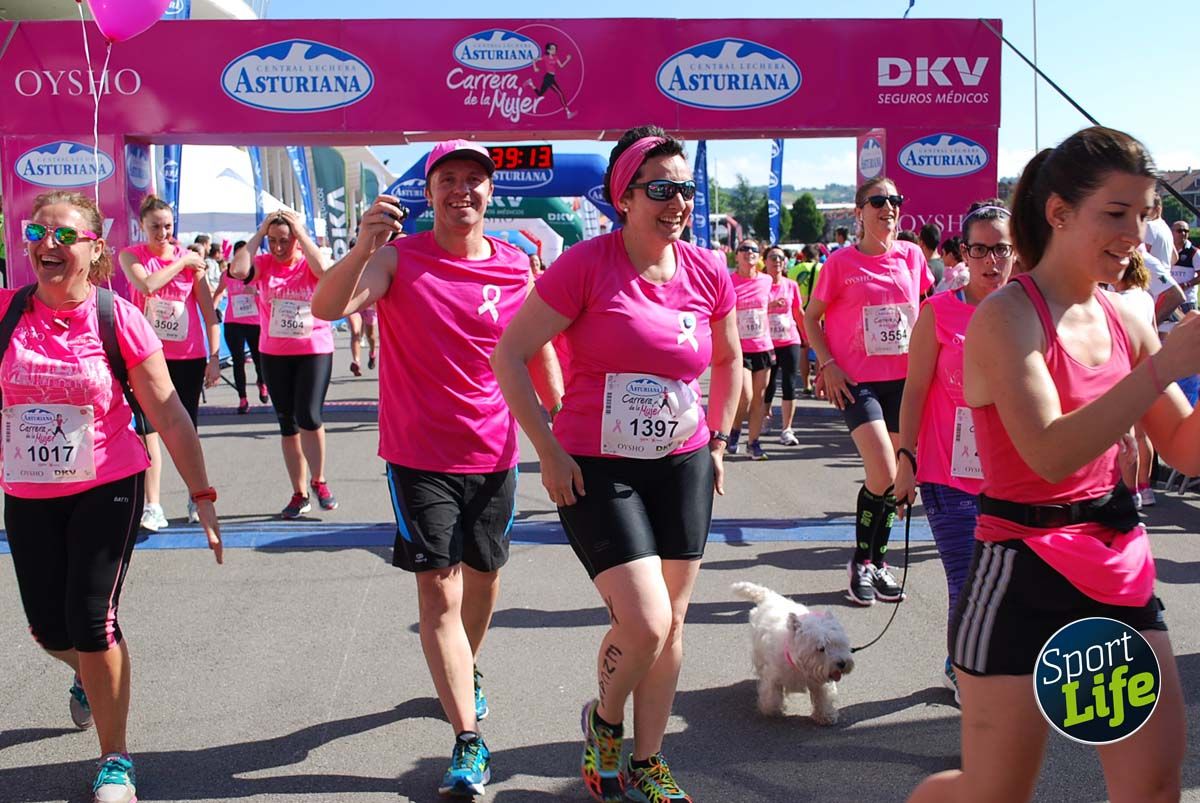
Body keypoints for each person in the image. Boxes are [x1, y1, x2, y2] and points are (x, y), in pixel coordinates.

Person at [908, 126, 1200, 803]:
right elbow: (1047, 451)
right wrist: (1163, 365)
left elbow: (1183, 449)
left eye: (1145, 212)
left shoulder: (1126, 315)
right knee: (992, 792)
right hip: (1020, 572)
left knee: (1153, 787)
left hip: (1116, 564)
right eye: (1117, 213)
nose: (1135, 233)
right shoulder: (1005, 317)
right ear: (1060, 212)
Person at [491, 125, 740, 803]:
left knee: (675, 620)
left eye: (684, 188)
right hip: (598, 466)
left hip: (683, 462)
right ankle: (605, 724)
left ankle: (648, 759)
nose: (677, 201)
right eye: (660, 188)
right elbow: (509, 354)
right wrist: (546, 449)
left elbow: (728, 359)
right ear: (623, 197)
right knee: (647, 620)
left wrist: (716, 440)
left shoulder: (708, 268)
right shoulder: (586, 265)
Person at [312, 139, 562, 798]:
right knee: (439, 592)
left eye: (473, 181)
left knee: (484, 577)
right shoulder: (397, 259)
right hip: (418, 455)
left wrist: (558, 419)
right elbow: (328, 308)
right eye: (447, 179)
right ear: (429, 193)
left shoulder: (515, 265)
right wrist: (364, 243)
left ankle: (466, 666)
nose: (462, 191)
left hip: (495, 451)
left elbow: (535, 348)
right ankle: (468, 743)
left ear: (489, 193)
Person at [3, 191, 222, 803]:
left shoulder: (116, 316)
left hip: (107, 485)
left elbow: (171, 416)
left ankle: (115, 758)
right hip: (28, 490)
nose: (50, 244)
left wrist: (201, 493)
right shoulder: (6, 313)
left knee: (93, 623)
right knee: (50, 630)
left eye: (66, 235)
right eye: (39, 232)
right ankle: (91, 681)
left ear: (94, 248)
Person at [893, 199, 1014, 703]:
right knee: (966, 580)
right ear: (964, 252)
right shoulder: (938, 312)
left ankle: (964, 654)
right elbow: (917, 389)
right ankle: (966, 669)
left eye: (1001, 249)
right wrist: (906, 458)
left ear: (1016, 251)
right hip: (949, 472)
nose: (992, 261)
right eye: (980, 249)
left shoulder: (1030, 312)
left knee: (1007, 584)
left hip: (1013, 475)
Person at [804, 176, 933, 605]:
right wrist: (828, 364)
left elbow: (927, 311)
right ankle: (861, 561)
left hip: (907, 381)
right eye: (879, 201)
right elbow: (811, 319)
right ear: (859, 213)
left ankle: (878, 563)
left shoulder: (913, 257)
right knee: (881, 469)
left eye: (895, 200)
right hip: (858, 382)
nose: (889, 207)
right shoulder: (840, 263)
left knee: (897, 479)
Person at [119, 196, 221, 530]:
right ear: (142, 226)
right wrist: (183, 262)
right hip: (145, 357)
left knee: (186, 428)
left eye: (167, 225)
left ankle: (196, 496)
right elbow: (147, 284)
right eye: (155, 227)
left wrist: (215, 357)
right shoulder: (132, 255)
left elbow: (209, 312)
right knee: (148, 431)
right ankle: (153, 505)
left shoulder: (193, 263)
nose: (163, 233)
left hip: (188, 356)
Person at [230, 208, 338, 518]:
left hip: (313, 349)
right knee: (288, 424)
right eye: (273, 241)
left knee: (309, 414)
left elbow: (327, 271)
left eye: (285, 242)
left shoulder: (308, 263)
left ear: (298, 242)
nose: (278, 248)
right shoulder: (262, 264)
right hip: (274, 353)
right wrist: (261, 232)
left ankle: (319, 479)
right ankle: (299, 492)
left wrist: (300, 233)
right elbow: (238, 271)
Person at [728, 238, 774, 459]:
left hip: (763, 347)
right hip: (739, 349)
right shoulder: (729, 281)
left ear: (759, 256)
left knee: (759, 398)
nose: (749, 252)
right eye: (744, 249)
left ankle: (753, 443)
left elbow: (770, 304)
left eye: (753, 249)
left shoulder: (766, 280)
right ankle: (735, 430)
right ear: (736, 255)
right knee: (744, 395)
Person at [215, 241, 267, 414]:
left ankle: (262, 382)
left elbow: (269, 296)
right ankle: (242, 398)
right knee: (238, 361)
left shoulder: (258, 273)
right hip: (233, 323)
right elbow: (218, 293)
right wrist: (212, 311)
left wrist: (257, 293)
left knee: (258, 359)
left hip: (255, 323)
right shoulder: (227, 274)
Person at [762, 244, 805, 445]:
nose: (777, 261)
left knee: (789, 384)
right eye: (773, 257)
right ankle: (764, 417)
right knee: (767, 385)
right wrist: (770, 306)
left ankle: (787, 428)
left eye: (780, 257)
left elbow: (798, 312)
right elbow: (751, 309)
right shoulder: (760, 284)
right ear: (765, 261)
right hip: (766, 341)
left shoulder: (791, 285)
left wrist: (807, 337)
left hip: (790, 339)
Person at [788, 244, 822, 394]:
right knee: (821, 349)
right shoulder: (823, 268)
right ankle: (820, 383)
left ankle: (806, 383)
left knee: (804, 349)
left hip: (800, 312)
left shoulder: (794, 270)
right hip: (821, 313)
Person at [1142, 192, 1178, 268]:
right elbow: (1175, 258)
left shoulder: (1150, 226)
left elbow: (1143, 256)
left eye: (1147, 208)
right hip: (1165, 275)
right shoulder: (1166, 228)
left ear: (1158, 209)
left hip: (1151, 276)